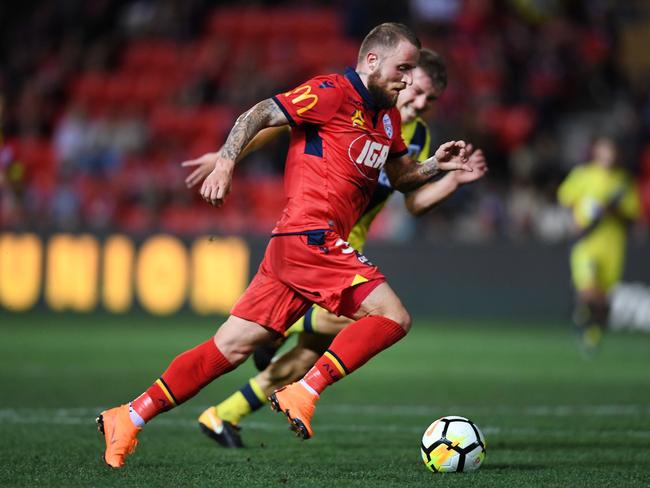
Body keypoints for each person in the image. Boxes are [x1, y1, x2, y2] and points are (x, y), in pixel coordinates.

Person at [97, 22, 473, 468]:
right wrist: (225, 163)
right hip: (310, 235)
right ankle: (304, 390)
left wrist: (435, 165)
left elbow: (404, 178)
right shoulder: (332, 91)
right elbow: (257, 114)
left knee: (229, 349)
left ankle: (129, 416)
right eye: (403, 68)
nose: (409, 80)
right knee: (393, 316)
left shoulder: (388, 118)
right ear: (372, 61)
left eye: (413, 71)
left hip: (293, 250)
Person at [183, 49, 488, 448]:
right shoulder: (359, 108)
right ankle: (276, 336)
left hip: (350, 249)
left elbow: (410, 198)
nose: (419, 103)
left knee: (311, 355)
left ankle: (225, 412)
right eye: (417, 92)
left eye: (430, 100)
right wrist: (229, 155)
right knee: (370, 324)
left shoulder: (417, 137)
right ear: (403, 79)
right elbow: (278, 124)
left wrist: (449, 180)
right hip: (319, 244)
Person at [557, 136, 640, 354]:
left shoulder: (622, 181)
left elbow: (632, 214)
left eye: (611, 151)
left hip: (612, 245)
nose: (608, 156)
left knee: (602, 300)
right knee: (589, 289)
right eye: (604, 151)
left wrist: (613, 210)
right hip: (587, 243)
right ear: (596, 152)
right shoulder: (582, 175)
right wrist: (575, 221)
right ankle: (582, 320)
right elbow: (565, 199)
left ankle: (591, 333)